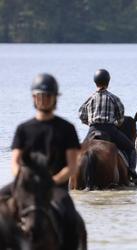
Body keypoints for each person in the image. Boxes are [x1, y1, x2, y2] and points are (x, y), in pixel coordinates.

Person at [0, 73, 82, 248]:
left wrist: (51, 181)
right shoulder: (23, 129)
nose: (44, 100)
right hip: (25, 185)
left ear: (55, 99)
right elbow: (15, 162)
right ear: (34, 98)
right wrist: (25, 180)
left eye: (48, 96)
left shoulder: (67, 129)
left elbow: (72, 166)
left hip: (54, 187)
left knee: (71, 217)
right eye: (40, 96)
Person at [78, 69, 137, 184]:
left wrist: (90, 123)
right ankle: (132, 172)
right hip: (110, 130)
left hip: (92, 130)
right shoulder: (114, 98)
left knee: (78, 151)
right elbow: (120, 117)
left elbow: (81, 115)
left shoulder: (89, 98)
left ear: (95, 82)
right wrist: (117, 123)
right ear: (108, 82)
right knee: (131, 148)